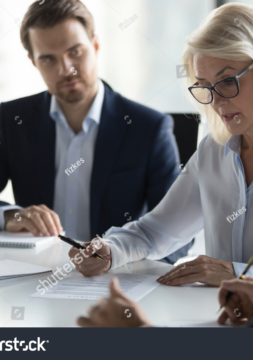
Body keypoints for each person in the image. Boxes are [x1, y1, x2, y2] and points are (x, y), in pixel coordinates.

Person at [76, 23, 253, 328]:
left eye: (226, 81)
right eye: (205, 86)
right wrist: (109, 250)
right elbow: (156, 231)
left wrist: (240, 275)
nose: (216, 100)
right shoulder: (214, 150)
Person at [0, 0, 192, 264]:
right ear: (33, 62)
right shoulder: (10, 120)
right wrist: (11, 216)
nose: (66, 69)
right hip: (34, 276)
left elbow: (179, 235)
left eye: (75, 52)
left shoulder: (149, 128)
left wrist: (122, 257)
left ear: (96, 45)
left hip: (117, 281)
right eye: (48, 58)